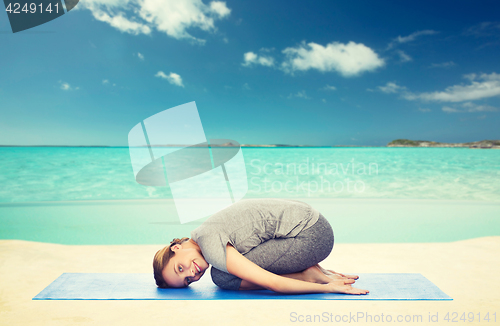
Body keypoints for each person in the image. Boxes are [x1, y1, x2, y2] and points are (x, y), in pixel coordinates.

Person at [152, 198, 369, 295]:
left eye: (180, 268)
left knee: (223, 277)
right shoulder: (204, 231)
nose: (192, 274)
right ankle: (312, 269)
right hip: (314, 225)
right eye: (188, 281)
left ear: (176, 248)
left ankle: (308, 274)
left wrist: (326, 288)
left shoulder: (210, 244)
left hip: (312, 237)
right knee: (227, 269)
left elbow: (273, 283)